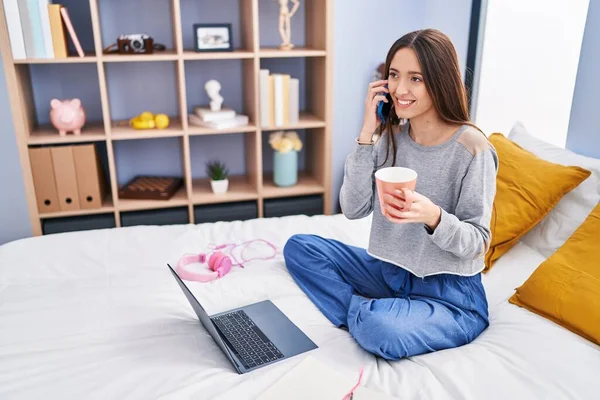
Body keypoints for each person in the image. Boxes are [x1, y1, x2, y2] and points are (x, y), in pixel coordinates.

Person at [283, 29, 498, 360]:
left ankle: (369, 315)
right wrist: (367, 132)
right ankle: (372, 311)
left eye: (416, 78)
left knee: (380, 330)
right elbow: (353, 209)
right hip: (389, 272)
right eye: (394, 76)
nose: (400, 89)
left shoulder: (473, 148)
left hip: (449, 294)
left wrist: (434, 217)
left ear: (440, 81)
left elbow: (478, 243)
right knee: (300, 248)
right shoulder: (389, 139)